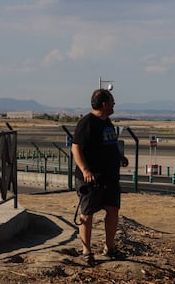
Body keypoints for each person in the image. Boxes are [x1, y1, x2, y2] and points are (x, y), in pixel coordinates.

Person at [71, 88, 129, 266]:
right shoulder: (87, 123)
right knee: (87, 214)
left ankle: (109, 248)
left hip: (110, 177)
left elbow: (109, 144)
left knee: (113, 210)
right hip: (91, 179)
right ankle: (87, 251)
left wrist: (120, 157)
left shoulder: (107, 122)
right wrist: (86, 171)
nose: (114, 104)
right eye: (112, 101)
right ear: (104, 104)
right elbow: (76, 148)